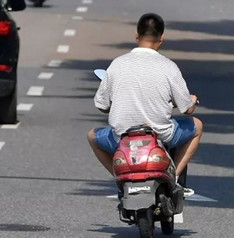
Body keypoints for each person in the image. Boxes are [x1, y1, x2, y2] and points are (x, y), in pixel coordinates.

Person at [87, 13, 203, 197]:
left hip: (121, 138)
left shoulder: (117, 65)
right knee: (196, 126)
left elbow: (101, 105)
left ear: (136, 35)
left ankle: (121, 180)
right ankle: (174, 177)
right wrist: (193, 99)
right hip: (160, 135)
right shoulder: (168, 67)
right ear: (162, 37)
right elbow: (187, 108)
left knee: (92, 136)